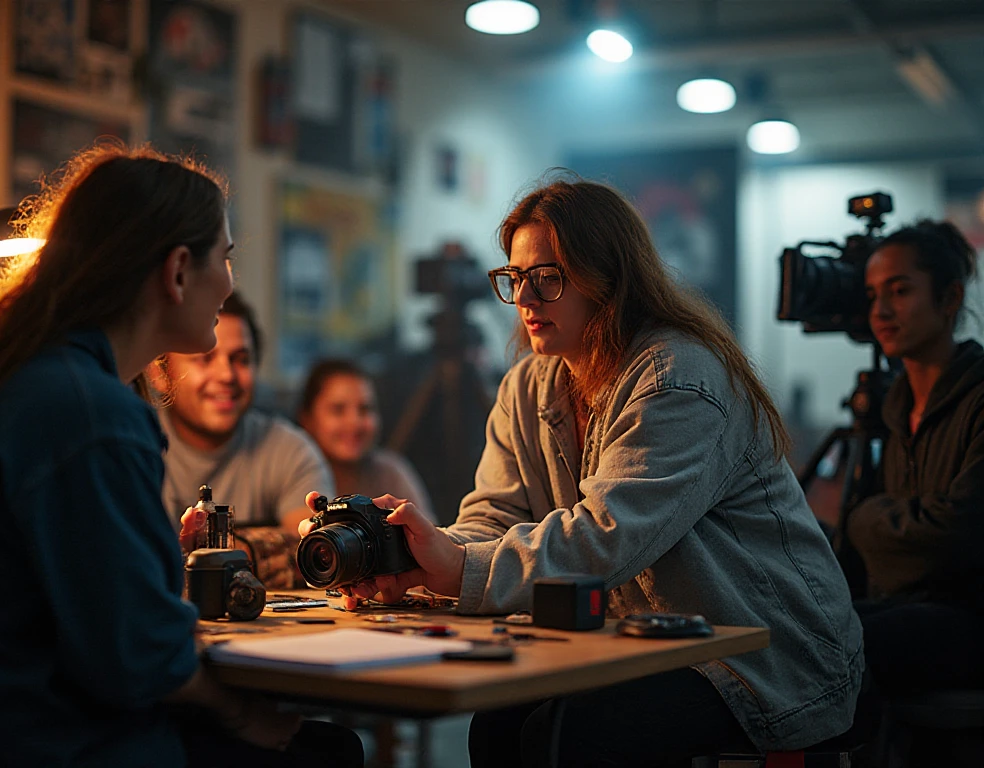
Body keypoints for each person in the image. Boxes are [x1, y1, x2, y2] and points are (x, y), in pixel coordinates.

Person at [307, 175, 865, 767]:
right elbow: (494, 517)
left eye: (548, 276)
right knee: (498, 723)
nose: (525, 298)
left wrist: (459, 567)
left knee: (571, 734)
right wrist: (405, 556)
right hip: (637, 642)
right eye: (515, 277)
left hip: (762, 660)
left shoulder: (678, 377)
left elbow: (606, 538)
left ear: (608, 279)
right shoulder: (529, 383)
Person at [0, 144, 362, 768]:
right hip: (58, 740)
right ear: (177, 272)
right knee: (329, 752)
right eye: (225, 257)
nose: (229, 282)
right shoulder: (93, 415)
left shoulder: (38, 380)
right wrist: (240, 712)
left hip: (8, 722)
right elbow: (137, 653)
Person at [847, 220, 984, 703]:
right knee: (799, 630)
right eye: (872, 295)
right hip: (905, 606)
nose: (880, 311)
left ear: (949, 298)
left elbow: (959, 533)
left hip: (968, 619)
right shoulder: (894, 408)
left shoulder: (977, 398)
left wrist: (864, 521)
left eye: (900, 291)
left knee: (840, 644)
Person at [159, 291, 333, 536]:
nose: (226, 375)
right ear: (159, 373)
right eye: (205, 359)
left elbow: (315, 542)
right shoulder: (131, 447)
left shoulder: (290, 451)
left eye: (241, 359)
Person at [297, 358, 436, 522]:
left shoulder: (392, 473)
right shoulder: (296, 475)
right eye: (338, 410)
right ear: (307, 419)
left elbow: (429, 532)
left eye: (365, 409)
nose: (354, 422)